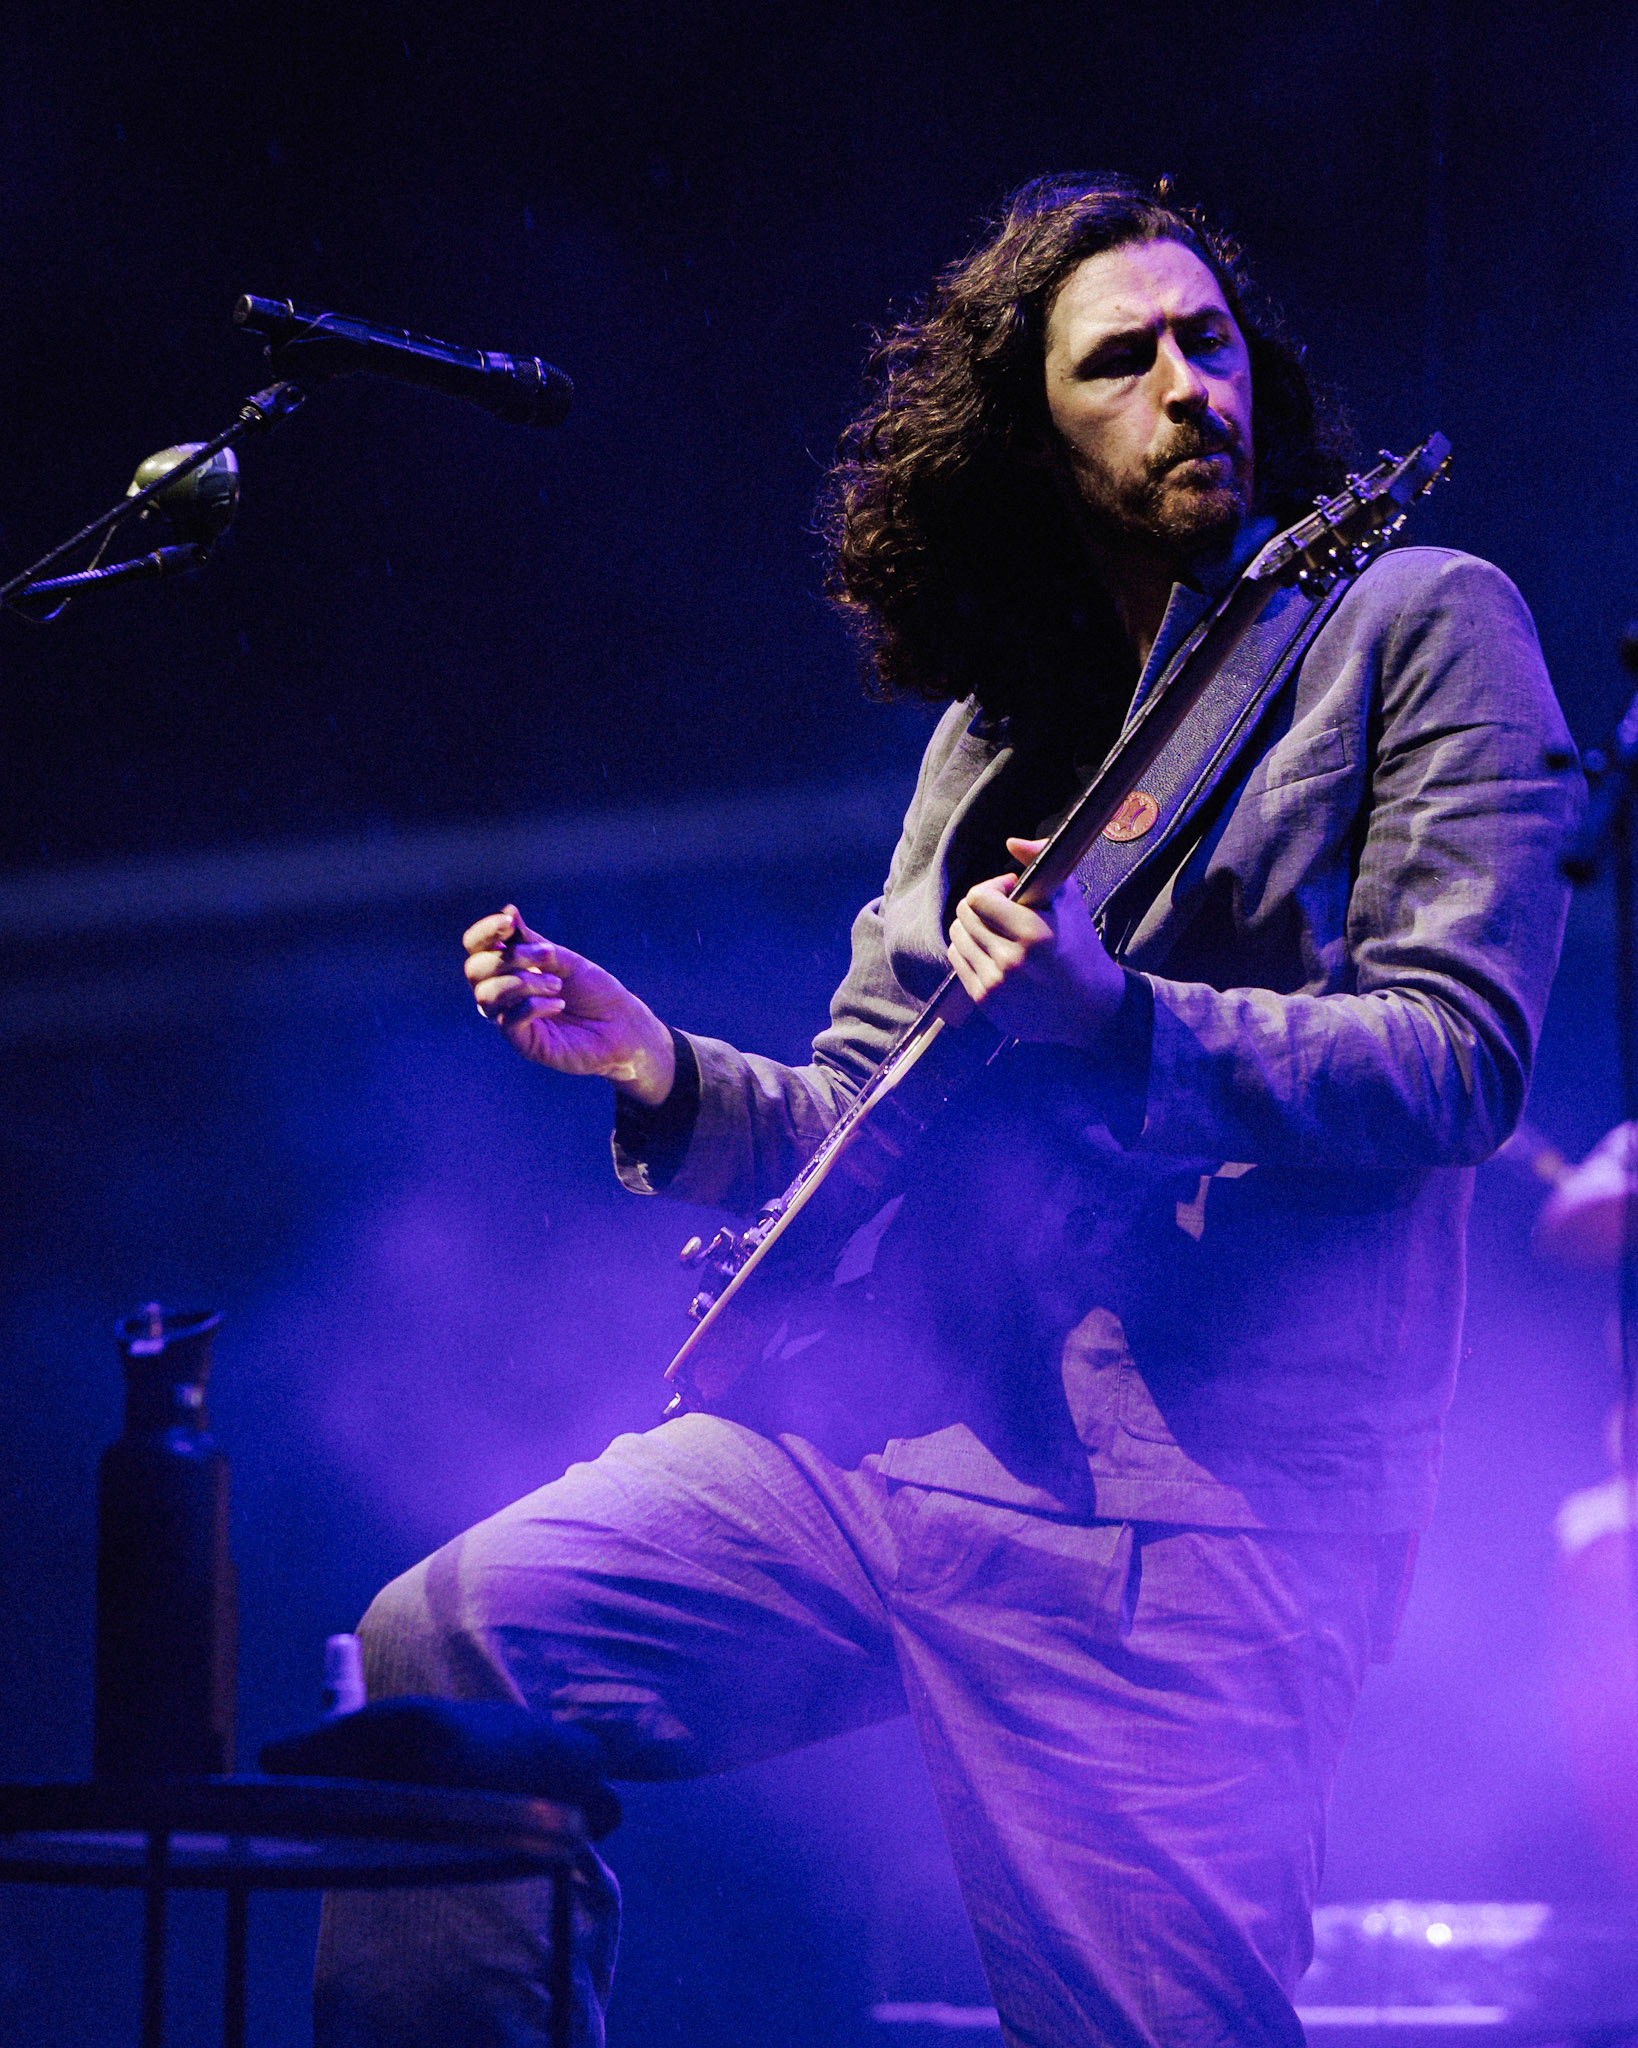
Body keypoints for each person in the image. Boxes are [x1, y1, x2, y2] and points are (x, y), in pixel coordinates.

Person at [315, 175, 1579, 2047]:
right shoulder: (994, 728)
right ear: (1030, 436)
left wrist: (1118, 1022)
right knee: (451, 1640)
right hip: (886, 1439)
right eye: (1120, 361)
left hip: (1187, 1507)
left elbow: (1456, 1054)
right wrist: (664, 1071)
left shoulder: (1412, 620)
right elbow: (863, 1101)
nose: (1188, 386)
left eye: (1208, 341)